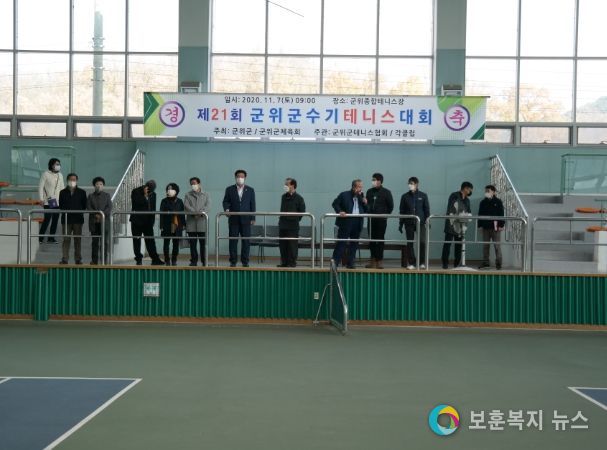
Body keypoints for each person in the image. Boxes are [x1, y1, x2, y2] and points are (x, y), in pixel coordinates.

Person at [222, 170, 256, 267]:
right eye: (238, 176)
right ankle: (233, 261)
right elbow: (225, 201)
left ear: (245, 178)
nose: (240, 178)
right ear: (235, 177)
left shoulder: (250, 190)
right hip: (234, 219)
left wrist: (253, 218)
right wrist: (227, 209)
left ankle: (245, 261)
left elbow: (252, 204)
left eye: (242, 176)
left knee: (246, 241)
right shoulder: (229, 189)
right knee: (233, 241)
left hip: (246, 220)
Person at [332, 179, 368, 269]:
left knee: (354, 244)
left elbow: (367, 209)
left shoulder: (361, 197)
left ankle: (350, 263)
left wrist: (365, 202)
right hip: (346, 221)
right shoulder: (344, 195)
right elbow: (335, 204)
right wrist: (340, 211)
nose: (360, 189)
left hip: (358, 222)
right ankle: (335, 263)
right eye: (359, 187)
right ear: (353, 187)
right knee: (341, 243)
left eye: (361, 187)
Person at [399, 177, 430, 270]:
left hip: (421, 222)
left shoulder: (423, 195)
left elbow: (426, 209)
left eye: (412, 183)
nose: (410, 185)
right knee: (410, 242)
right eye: (409, 183)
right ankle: (412, 263)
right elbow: (402, 211)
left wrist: (428, 221)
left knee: (422, 242)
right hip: (409, 223)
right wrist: (400, 223)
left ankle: (421, 262)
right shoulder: (404, 196)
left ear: (416, 184)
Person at [130, 180, 164, 266]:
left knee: (150, 241)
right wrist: (145, 195)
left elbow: (153, 208)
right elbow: (136, 203)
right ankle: (138, 259)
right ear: (146, 186)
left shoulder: (153, 194)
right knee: (137, 240)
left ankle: (155, 259)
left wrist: (152, 222)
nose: (150, 192)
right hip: (136, 221)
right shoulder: (136, 191)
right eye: (149, 189)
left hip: (148, 222)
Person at [441, 181, 473, 269]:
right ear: (465, 188)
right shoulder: (454, 195)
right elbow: (452, 208)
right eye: (470, 189)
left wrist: (468, 215)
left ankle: (456, 264)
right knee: (447, 244)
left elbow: (469, 211)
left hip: (461, 225)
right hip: (451, 224)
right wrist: (460, 214)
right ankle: (445, 263)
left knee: (459, 245)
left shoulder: (467, 200)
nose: (470, 191)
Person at [365, 173, 393, 269]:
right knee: (371, 239)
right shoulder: (369, 191)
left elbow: (391, 206)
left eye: (375, 180)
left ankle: (379, 260)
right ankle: (372, 260)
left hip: (381, 220)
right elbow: (366, 204)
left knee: (380, 239)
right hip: (371, 219)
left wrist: (385, 215)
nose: (373, 181)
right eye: (372, 179)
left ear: (380, 181)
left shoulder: (386, 192)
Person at [58, 173, 87, 264]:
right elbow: (61, 205)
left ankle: (78, 259)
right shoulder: (62, 192)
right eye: (70, 179)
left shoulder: (82, 192)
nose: (72, 181)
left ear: (77, 181)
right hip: (66, 219)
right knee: (66, 239)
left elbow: (84, 206)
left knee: (77, 240)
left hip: (78, 219)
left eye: (74, 179)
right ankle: (65, 258)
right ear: (67, 180)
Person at [278, 178, 306, 268]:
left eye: (287, 184)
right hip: (283, 224)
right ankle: (284, 262)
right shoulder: (283, 196)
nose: (285, 186)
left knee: (292, 245)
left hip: (293, 225)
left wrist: (295, 219)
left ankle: (292, 262)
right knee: (283, 244)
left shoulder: (299, 198)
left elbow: (302, 211)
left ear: (292, 185)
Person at [184, 177, 210, 266]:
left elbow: (208, 206)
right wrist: (194, 213)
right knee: (192, 244)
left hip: (202, 223)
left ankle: (204, 261)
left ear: (199, 183)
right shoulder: (188, 195)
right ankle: (193, 261)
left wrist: (200, 213)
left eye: (194, 183)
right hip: (191, 223)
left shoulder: (206, 194)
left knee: (203, 244)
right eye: (191, 184)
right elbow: (186, 205)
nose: (193, 185)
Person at [478, 185, 505, 270]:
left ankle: (499, 263)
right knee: (485, 246)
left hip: (495, 227)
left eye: (488, 191)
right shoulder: (483, 202)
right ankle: (486, 262)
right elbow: (480, 214)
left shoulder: (498, 202)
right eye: (486, 191)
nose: (486, 192)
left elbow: (501, 214)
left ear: (493, 192)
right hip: (485, 227)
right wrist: (480, 226)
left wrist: (501, 225)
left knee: (497, 246)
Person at [38, 157, 64, 243]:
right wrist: (41, 199)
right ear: (52, 165)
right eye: (56, 164)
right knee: (47, 219)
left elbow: (62, 188)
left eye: (59, 164)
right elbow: (40, 187)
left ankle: (51, 238)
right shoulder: (45, 174)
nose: (58, 166)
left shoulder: (60, 175)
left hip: (58, 201)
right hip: (49, 200)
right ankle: (40, 238)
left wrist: (64, 200)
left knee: (55, 220)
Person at [87, 176, 112, 265]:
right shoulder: (90, 196)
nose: (99, 186)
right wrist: (96, 215)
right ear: (94, 185)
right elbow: (89, 207)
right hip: (94, 222)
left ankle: (104, 261)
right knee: (95, 242)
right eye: (97, 184)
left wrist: (102, 215)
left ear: (103, 185)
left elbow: (109, 207)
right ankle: (94, 261)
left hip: (104, 222)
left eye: (101, 184)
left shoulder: (107, 196)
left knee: (104, 242)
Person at [159, 183, 185, 266]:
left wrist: (184, 224)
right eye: (168, 189)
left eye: (171, 189)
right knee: (166, 243)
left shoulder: (180, 201)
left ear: (176, 191)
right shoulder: (164, 201)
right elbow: (161, 214)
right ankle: (167, 259)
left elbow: (182, 214)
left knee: (176, 244)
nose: (169, 191)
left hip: (177, 224)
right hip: (167, 224)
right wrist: (161, 226)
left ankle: (174, 260)